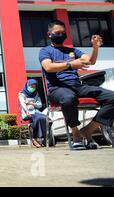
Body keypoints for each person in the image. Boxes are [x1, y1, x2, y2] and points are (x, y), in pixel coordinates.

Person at [39, 19, 114, 150]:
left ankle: (88, 130)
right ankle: (76, 134)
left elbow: (90, 61)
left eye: (63, 32)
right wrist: (70, 64)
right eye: (58, 32)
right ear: (49, 34)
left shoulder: (72, 51)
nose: (61, 35)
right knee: (68, 98)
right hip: (57, 88)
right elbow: (48, 67)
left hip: (77, 86)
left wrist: (95, 47)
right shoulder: (45, 51)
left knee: (112, 97)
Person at [18, 79, 48, 147]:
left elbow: (39, 105)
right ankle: (35, 138)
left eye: (34, 87)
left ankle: (44, 139)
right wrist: (27, 111)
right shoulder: (22, 93)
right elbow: (22, 103)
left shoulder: (36, 94)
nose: (33, 88)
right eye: (31, 86)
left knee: (47, 119)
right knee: (38, 118)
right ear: (28, 85)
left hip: (36, 112)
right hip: (27, 113)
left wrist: (31, 103)